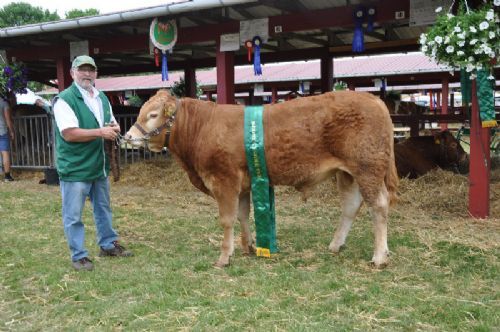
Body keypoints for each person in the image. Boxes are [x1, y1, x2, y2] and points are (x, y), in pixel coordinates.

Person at [53, 55, 132, 271]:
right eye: (82, 69)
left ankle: (107, 245)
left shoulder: (102, 98)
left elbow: (112, 123)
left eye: (91, 70)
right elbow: (69, 133)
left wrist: (114, 129)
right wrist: (101, 132)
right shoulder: (64, 100)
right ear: (72, 73)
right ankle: (79, 255)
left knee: (103, 208)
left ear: (96, 73)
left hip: (99, 165)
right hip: (76, 167)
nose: (87, 74)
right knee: (73, 214)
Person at [0, 96, 14, 182]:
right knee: (5, 153)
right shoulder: (3, 103)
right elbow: (8, 119)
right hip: (2, 130)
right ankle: (7, 176)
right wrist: (12, 131)